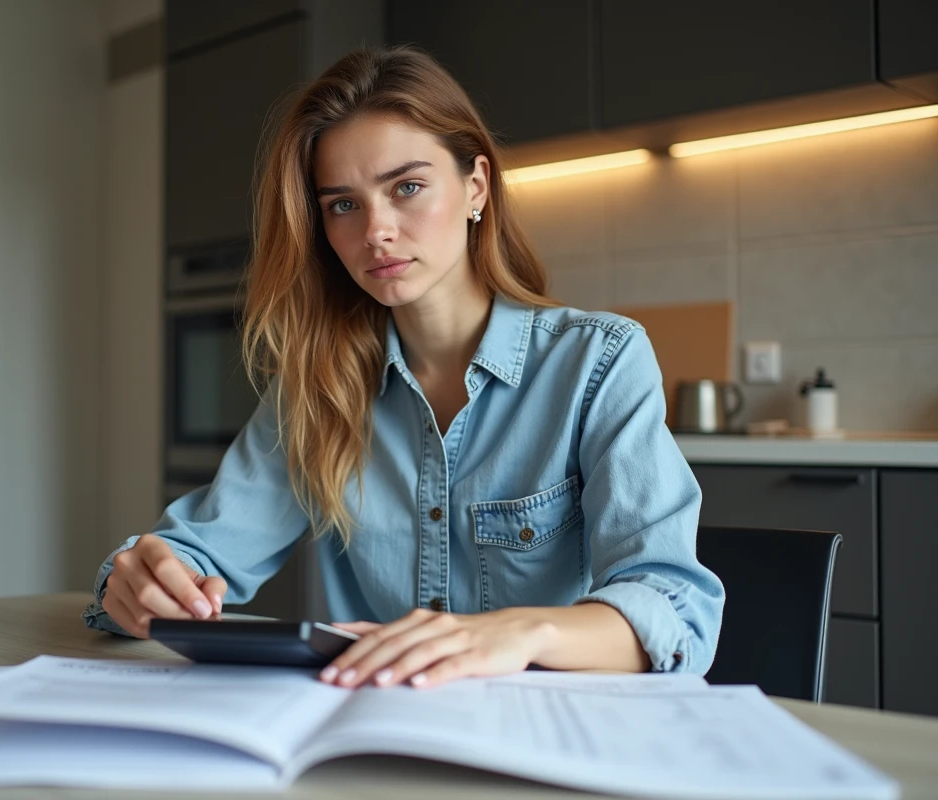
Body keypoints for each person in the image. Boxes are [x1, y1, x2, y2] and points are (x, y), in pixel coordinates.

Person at [84, 45, 724, 689]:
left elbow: (675, 610)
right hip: (376, 736)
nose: (376, 231)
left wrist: (519, 630)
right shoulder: (317, 387)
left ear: (475, 187)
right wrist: (140, 580)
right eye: (342, 204)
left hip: (550, 743)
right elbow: (196, 553)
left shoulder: (598, 362)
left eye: (407, 187)